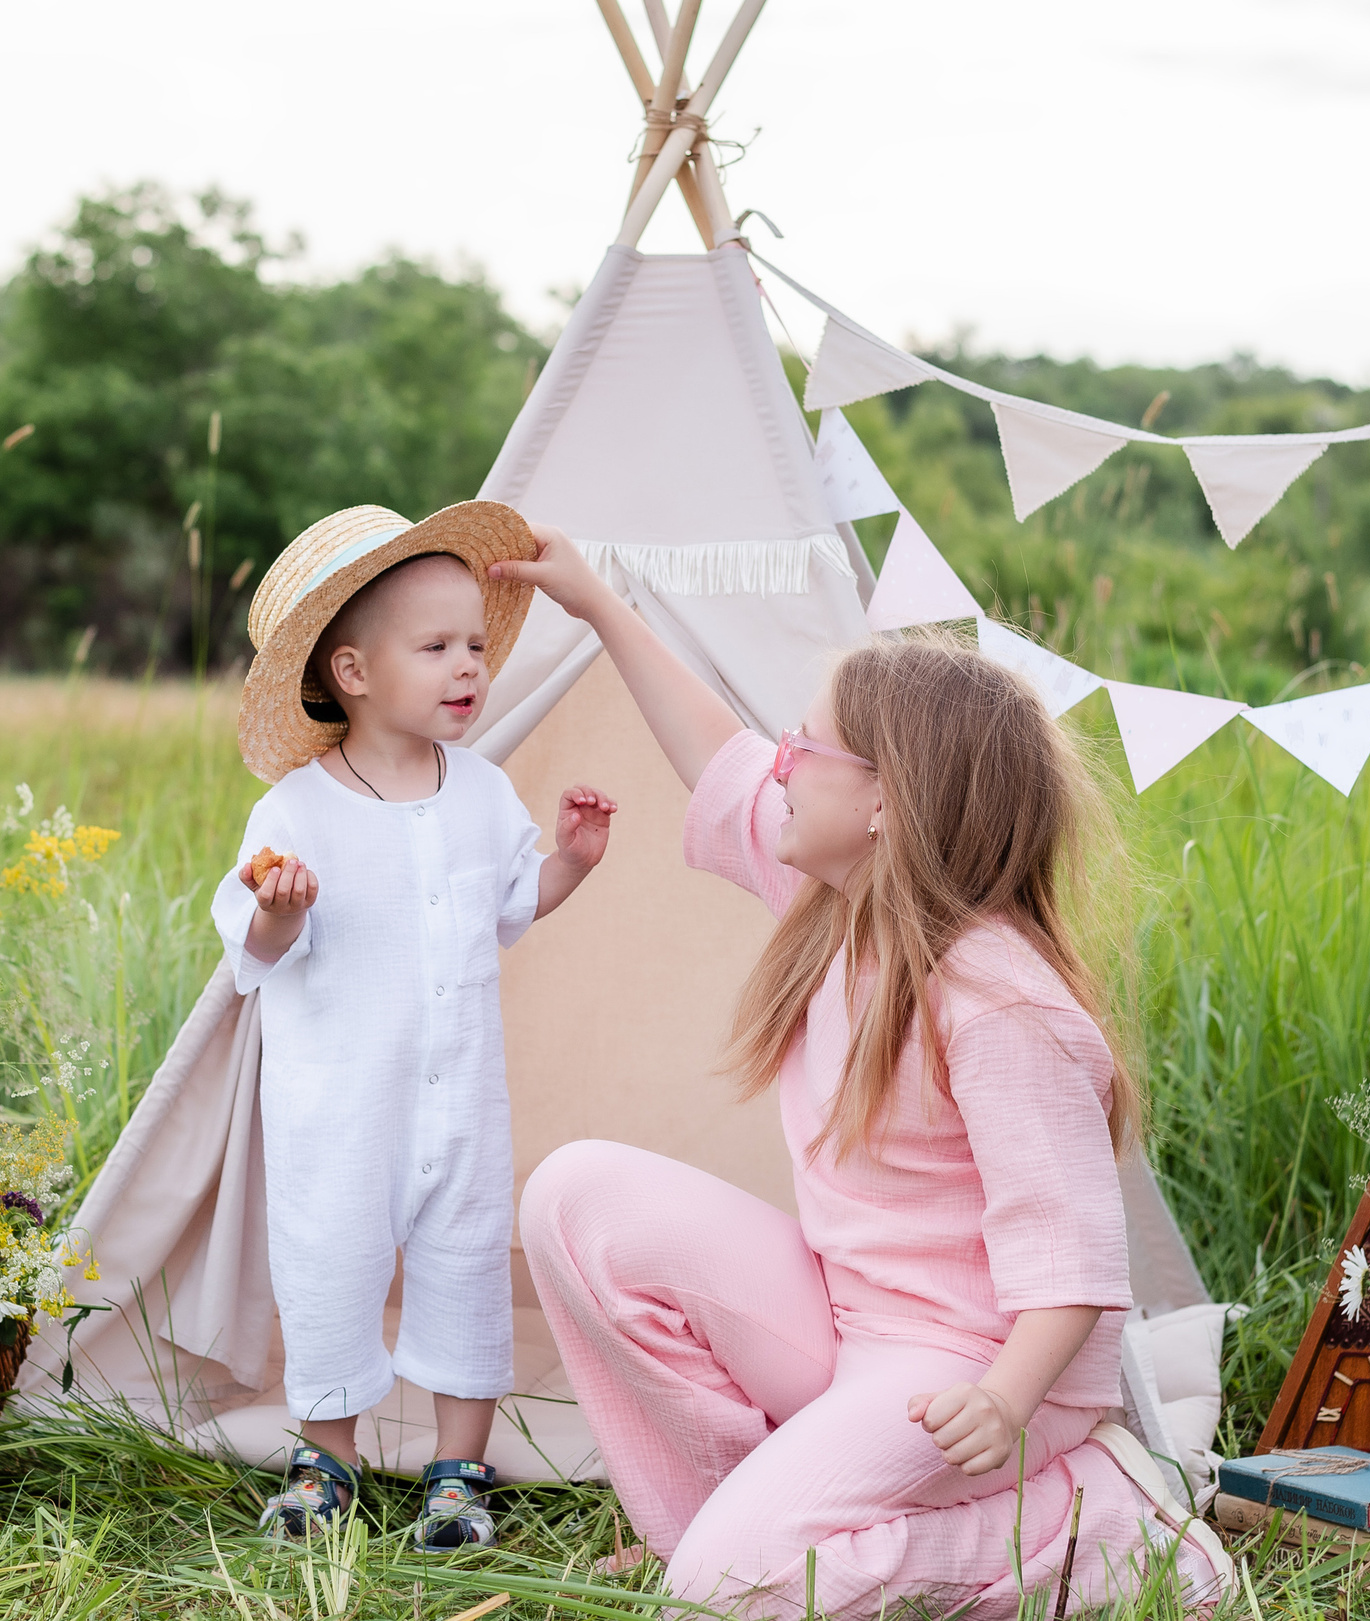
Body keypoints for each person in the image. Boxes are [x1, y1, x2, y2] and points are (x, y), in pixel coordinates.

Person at [488, 527, 1231, 1616]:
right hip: (853, 1319)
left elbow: (1070, 1257)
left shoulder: (998, 1001)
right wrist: (601, 607)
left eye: (806, 748)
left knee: (727, 1592)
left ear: (884, 802)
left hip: (974, 1366)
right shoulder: (838, 902)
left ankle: (1093, 1529)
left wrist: (1006, 1401)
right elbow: (713, 747)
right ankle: (716, 1528)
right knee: (574, 1195)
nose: (777, 761)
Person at [214, 502, 617, 1552]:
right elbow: (249, 953)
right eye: (435, 646)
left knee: (465, 1263)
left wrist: (570, 860)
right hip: (341, 1109)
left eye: (474, 644)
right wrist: (279, 909)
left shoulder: (481, 790)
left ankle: (455, 1470)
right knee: (332, 1266)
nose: (466, 666)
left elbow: (509, 903)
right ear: (352, 670)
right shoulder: (295, 809)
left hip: (460, 1102)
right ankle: (325, 1459)